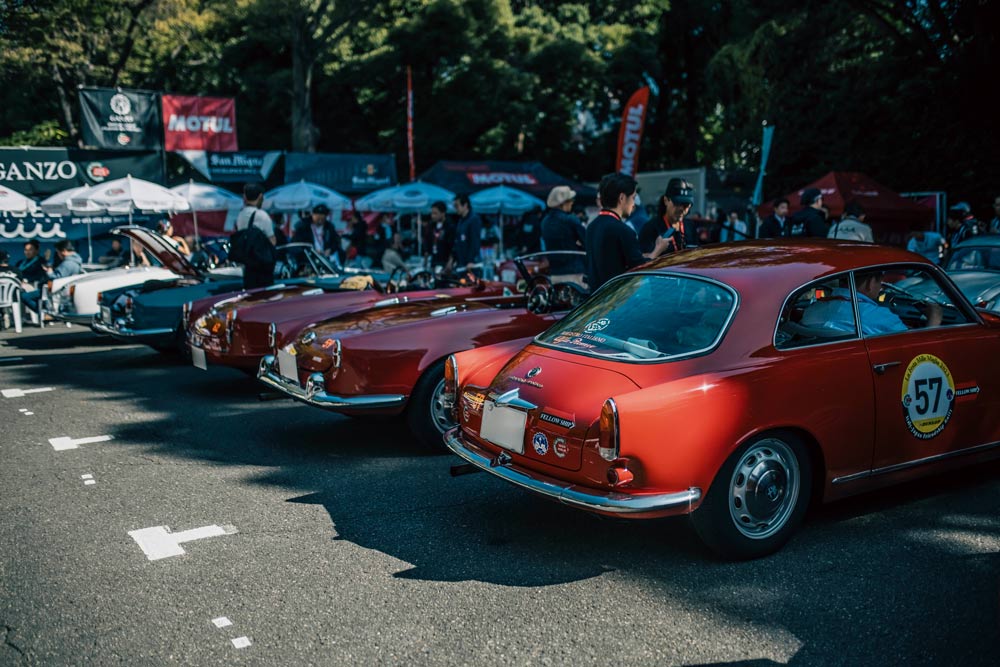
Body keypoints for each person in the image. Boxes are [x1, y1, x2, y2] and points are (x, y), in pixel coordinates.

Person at [585, 173, 672, 291]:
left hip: (595, 300)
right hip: (616, 299)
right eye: (633, 197)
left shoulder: (591, 227)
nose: (633, 204)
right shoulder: (623, 231)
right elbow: (640, 268)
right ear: (622, 198)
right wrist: (658, 250)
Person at [802, 270, 941, 335]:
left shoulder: (812, 309)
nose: (881, 288)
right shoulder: (879, 315)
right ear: (869, 283)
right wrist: (934, 320)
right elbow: (915, 350)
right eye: (879, 282)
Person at [20, 240, 83, 314]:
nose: (58, 255)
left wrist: (49, 272)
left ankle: (45, 312)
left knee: (25, 296)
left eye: (58, 252)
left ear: (63, 251)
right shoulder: (75, 262)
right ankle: (45, 312)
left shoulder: (68, 264)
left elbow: (57, 278)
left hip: (54, 291)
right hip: (58, 291)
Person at [234, 182, 276, 289]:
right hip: (262, 268)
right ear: (260, 196)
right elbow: (272, 241)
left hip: (248, 267)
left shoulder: (241, 215)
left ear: (245, 197)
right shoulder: (262, 215)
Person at [639, 178, 694, 255]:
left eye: (686, 205)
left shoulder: (690, 227)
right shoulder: (650, 229)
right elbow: (643, 261)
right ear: (666, 200)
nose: (681, 209)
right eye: (677, 203)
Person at [541, 185, 586, 273]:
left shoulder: (545, 221)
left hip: (554, 271)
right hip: (574, 270)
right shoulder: (570, 219)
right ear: (563, 203)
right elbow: (586, 241)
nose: (572, 202)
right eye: (570, 200)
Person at [450, 194, 482, 273]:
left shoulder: (474, 219)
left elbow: (475, 241)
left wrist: (471, 260)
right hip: (461, 262)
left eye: (457, 206)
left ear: (465, 205)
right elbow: (457, 241)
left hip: (470, 263)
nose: (455, 209)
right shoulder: (460, 221)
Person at [424, 201, 454, 269]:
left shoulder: (449, 227)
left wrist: (450, 261)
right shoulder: (431, 226)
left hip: (444, 261)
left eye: (435, 213)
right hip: (433, 260)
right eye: (432, 213)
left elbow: (452, 245)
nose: (432, 216)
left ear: (443, 213)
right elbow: (427, 241)